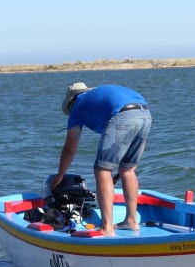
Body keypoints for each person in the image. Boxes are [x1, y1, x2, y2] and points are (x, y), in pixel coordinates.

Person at [52, 82, 152, 236]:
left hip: (122, 116)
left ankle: (107, 227)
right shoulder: (96, 97)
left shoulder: (78, 106)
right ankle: (132, 221)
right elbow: (137, 132)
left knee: (102, 170)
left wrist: (59, 176)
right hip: (145, 114)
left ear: (71, 101)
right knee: (128, 169)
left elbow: (70, 148)